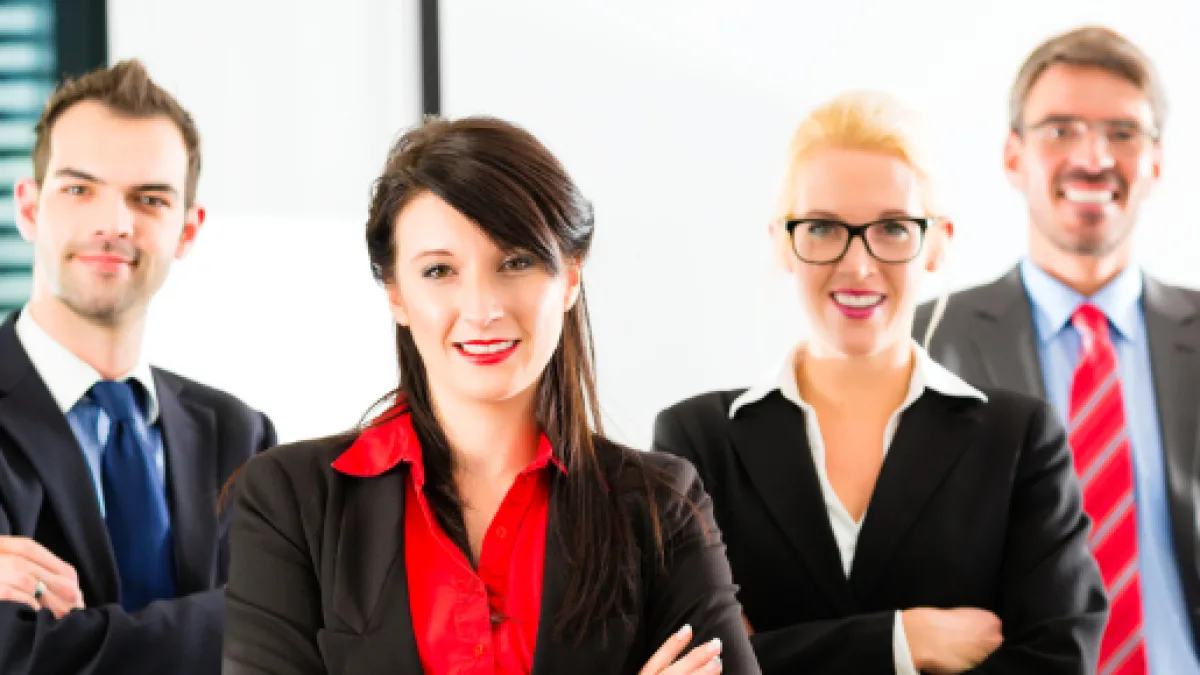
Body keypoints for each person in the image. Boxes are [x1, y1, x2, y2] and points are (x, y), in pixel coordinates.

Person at [221, 116, 758, 675]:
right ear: (396, 294)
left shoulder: (661, 505)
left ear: (571, 278)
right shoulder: (289, 500)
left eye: (516, 262)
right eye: (439, 271)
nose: (483, 309)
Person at [654, 90, 1107, 674]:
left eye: (893, 228)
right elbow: (689, 661)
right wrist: (901, 641)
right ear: (784, 243)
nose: (858, 265)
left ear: (937, 243)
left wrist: (773, 650)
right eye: (823, 227)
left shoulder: (1019, 440)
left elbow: (1059, 662)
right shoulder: (697, 442)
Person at [915, 25, 1200, 674]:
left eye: (1123, 132)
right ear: (1013, 156)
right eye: (1060, 129)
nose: (1093, 158)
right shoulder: (928, 342)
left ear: (1156, 162)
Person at [0, 60, 277, 675]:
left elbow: (285, 644)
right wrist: (234, 620)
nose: (114, 224)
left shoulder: (240, 434)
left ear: (187, 229)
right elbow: (12, 655)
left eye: (149, 199)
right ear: (30, 209)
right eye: (79, 190)